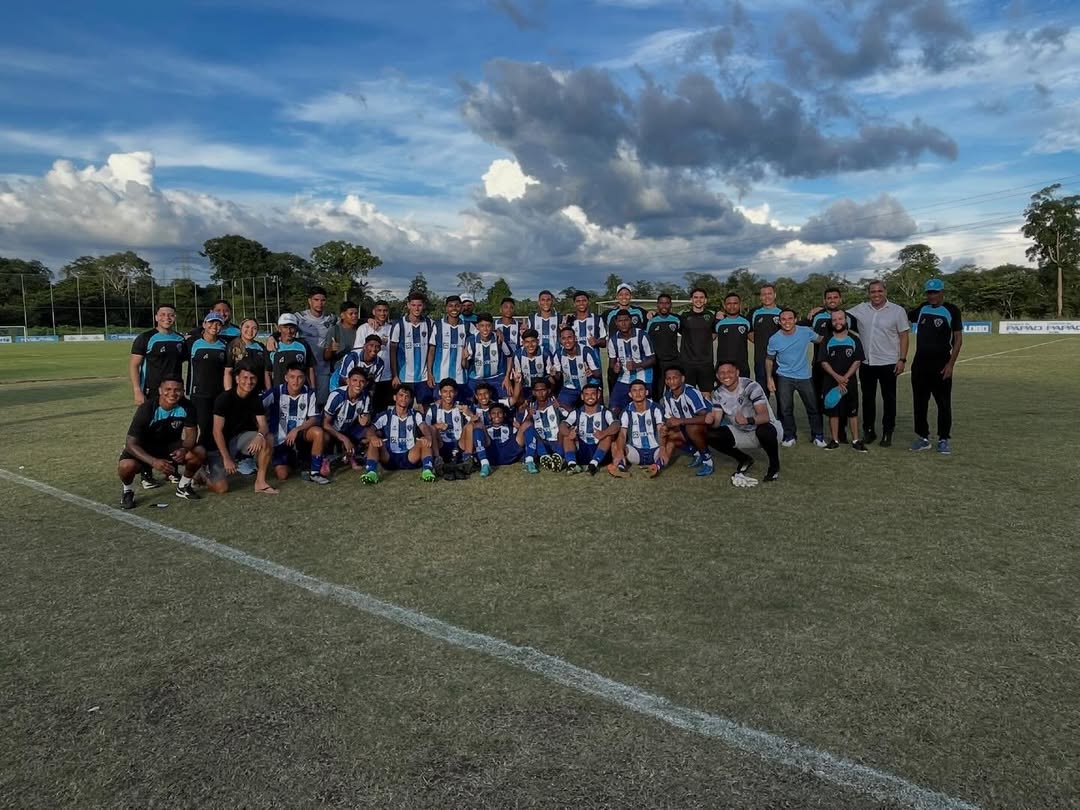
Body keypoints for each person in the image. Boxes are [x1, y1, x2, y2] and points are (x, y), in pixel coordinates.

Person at [117, 375, 207, 508]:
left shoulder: (188, 407)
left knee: (199, 452)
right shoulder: (147, 409)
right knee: (126, 466)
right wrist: (153, 461)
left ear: (183, 391)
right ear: (160, 390)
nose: (172, 393)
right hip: (144, 448)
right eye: (168, 389)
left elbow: (191, 436)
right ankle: (127, 491)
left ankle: (183, 486)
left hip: (170, 446)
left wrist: (184, 449)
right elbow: (131, 443)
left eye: (177, 390)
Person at [847, 280, 910, 447]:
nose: (876, 294)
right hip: (867, 363)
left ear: (885, 291)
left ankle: (887, 432)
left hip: (889, 362)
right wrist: (819, 310)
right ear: (869, 293)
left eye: (879, 291)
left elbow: (904, 336)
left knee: (889, 400)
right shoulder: (860, 308)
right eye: (873, 292)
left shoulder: (897, 311)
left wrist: (902, 359)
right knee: (868, 400)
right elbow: (838, 314)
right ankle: (869, 431)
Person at [909, 278, 963, 454]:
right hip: (920, 364)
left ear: (942, 292)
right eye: (929, 293)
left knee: (943, 403)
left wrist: (950, 365)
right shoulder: (922, 308)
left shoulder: (951, 310)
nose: (932, 296)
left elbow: (958, 339)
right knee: (919, 403)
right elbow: (901, 316)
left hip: (941, 364)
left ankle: (943, 439)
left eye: (935, 292)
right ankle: (923, 437)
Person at [707, 361, 782, 485]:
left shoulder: (750, 386)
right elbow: (716, 423)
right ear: (717, 376)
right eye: (722, 373)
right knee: (709, 434)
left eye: (730, 372)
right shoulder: (718, 393)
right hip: (742, 431)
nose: (726, 375)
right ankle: (744, 459)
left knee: (764, 430)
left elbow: (765, 417)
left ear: (737, 372)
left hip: (766, 429)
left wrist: (747, 420)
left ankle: (774, 466)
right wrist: (710, 421)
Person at [207, 364, 277, 495]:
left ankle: (260, 483)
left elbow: (263, 425)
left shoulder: (255, 397)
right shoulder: (224, 398)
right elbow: (217, 432)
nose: (249, 382)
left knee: (268, 438)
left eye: (252, 378)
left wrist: (260, 436)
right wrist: (227, 458)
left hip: (238, 440)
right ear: (237, 379)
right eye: (245, 378)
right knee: (221, 488)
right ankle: (203, 475)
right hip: (219, 446)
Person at [765, 308, 825, 447]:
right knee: (786, 409)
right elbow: (769, 360)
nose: (787, 322)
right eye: (783, 319)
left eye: (790, 318)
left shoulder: (805, 332)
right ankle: (790, 435)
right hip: (784, 377)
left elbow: (821, 340)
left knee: (813, 407)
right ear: (779, 322)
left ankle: (818, 435)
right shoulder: (774, 339)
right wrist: (769, 378)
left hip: (805, 376)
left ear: (795, 319)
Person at [263, 365, 330, 484]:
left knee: (318, 432)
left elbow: (313, 419)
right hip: (280, 440)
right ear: (286, 378)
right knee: (282, 475)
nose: (296, 381)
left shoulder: (310, 393)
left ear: (304, 378)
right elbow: (257, 407)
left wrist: (297, 429)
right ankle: (296, 460)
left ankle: (315, 472)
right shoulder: (276, 392)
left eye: (300, 377)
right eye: (292, 377)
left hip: (300, 435)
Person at [806, 288, 858, 438]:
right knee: (817, 399)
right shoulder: (815, 316)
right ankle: (817, 433)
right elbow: (798, 328)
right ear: (824, 300)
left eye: (835, 297)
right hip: (819, 365)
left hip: (842, 368)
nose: (832, 300)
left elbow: (858, 334)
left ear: (840, 299)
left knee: (839, 397)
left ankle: (841, 432)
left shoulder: (848, 317)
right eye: (829, 297)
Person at [361, 385, 437, 483]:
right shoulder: (386, 415)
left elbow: (423, 426)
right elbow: (370, 429)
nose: (403, 399)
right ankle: (371, 472)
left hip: (410, 456)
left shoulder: (415, 414)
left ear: (410, 400)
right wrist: (373, 437)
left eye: (407, 396)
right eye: (401, 395)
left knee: (424, 441)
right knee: (373, 442)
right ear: (394, 397)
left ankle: (427, 470)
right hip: (389, 457)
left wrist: (428, 436)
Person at [819, 310, 869, 452]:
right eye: (834, 320)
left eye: (840, 319)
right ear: (831, 322)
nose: (837, 322)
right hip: (831, 381)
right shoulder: (827, 340)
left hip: (849, 382)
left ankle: (856, 440)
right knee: (833, 412)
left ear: (845, 320)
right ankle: (834, 440)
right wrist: (837, 377)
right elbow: (823, 362)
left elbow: (857, 360)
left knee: (852, 412)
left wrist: (845, 377)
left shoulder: (854, 339)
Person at [184, 310, 231, 451]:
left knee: (218, 427)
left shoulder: (225, 345)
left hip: (218, 394)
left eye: (218, 324)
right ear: (204, 324)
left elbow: (227, 371)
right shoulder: (192, 343)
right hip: (199, 394)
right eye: (211, 323)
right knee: (204, 428)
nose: (214, 327)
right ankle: (202, 460)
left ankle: (212, 458)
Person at [659, 365, 714, 477]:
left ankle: (707, 460)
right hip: (688, 426)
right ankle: (697, 452)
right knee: (665, 431)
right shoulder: (667, 396)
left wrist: (680, 421)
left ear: (682, 379)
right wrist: (668, 424)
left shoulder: (690, 392)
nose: (671, 381)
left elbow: (707, 418)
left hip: (711, 427)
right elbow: (670, 419)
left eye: (675, 378)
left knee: (691, 427)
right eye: (668, 379)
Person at [426, 378, 484, 478]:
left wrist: (469, 413)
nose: (448, 395)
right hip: (441, 445)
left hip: (460, 444)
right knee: (431, 429)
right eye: (445, 392)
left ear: (456, 392)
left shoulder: (461, 407)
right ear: (440, 393)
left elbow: (477, 423)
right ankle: (437, 460)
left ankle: (467, 459)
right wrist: (436, 426)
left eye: (451, 391)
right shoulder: (433, 409)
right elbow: (425, 429)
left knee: (470, 426)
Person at [129, 303, 184, 405]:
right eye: (162, 314)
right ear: (156, 317)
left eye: (170, 315)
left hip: (174, 391)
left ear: (175, 317)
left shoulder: (180, 339)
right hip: (151, 391)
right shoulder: (145, 338)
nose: (167, 318)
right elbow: (134, 366)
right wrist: (137, 391)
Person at [612, 379, 668, 477]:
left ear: (646, 392)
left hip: (655, 450)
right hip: (635, 451)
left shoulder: (656, 408)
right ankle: (620, 468)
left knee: (670, 443)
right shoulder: (626, 411)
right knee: (615, 445)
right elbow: (622, 434)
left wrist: (662, 447)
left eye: (641, 390)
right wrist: (620, 450)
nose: (638, 393)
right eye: (634, 390)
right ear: (630, 394)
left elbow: (661, 430)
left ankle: (656, 467)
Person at [292, 287, 337, 404]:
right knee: (304, 402)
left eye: (322, 300)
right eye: (316, 299)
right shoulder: (299, 317)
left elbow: (348, 323)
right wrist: (273, 337)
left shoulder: (331, 318)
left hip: (323, 368)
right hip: (303, 369)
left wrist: (368, 321)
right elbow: (284, 328)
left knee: (322, 403)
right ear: (309, 301)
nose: (319, 303)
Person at [561, 382, 618, 475]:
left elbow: (616, 424)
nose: (590, 397)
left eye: (593, 394)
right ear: (582, 396)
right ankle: (572, 465)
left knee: (607, 436)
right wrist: (568, 433)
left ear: (598, 395)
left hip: (600, 452)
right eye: (586, 394)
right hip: (583, 450)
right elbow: (562, 425)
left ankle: (593, 465)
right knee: (567, 436)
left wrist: (604, 433)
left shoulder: (605, 412)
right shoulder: (577, 412)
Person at [322, 367, 372, 470]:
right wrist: (344, 439)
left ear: (366, 383)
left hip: (349, 429)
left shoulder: (366, 396)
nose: (358, 384)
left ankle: (358, 456)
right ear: (348, 381)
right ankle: (323, 459)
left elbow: (366, 419)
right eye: (355, 380)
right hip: (332, 431)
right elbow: (324, 423)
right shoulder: (337, 396)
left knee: (371, 433)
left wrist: (366, 420)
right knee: (323, 436)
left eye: (362, 381)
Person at [389, 292, 434, 405]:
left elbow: (431, 350)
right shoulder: (399, 324)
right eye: (413, 305)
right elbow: (392, 351)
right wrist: (395, 375)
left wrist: (430, 373)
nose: (416, 308)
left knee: (425, 407)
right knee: (403, 407)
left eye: (419, 305)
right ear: (408, 305)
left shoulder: (429, 323)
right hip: (404, 377)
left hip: (423, 377)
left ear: (423, 306)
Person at [607, 310, 655, 417]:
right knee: (613, 409)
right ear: (616, 322)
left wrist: (637, 365)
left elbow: (652, 359)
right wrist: (615, 368)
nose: (623, 323)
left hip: (644, 377)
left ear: (631, 321)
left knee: (642, 410)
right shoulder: (613, 340)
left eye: (626, 320)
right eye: (620, 321)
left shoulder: (642, 336)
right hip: (624, 378)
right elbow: (612, 364)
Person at [427, 295, 471, 401]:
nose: (454, 309)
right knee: (439, 408)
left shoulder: (468, 326)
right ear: (446, 308)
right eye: (451, 306)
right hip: (440, 377)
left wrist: (497, 331)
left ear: (461, 307)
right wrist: (429, 373)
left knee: (460, 409)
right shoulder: (437, 325)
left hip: (460, 378)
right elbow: (431, 351)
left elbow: (484, 333)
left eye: (457, 306)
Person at [354, 299, 393, 413]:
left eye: (385, 310)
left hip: (386, 375)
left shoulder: (392, 329)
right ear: (373, 312)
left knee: (382, 409)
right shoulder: (364, 328)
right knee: (364, 408)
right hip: (366, 376)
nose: (382, 313)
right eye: (379, 310)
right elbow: (357, 351)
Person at [551, 325, 601, 409]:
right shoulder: (558, 354)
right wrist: (554, 374)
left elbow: (598, 373)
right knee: (560, 410)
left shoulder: (586, 351)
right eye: (563, 338)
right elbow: (558, 377)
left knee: (594, 410)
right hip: (569, 388)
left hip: (588, 386)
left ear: (575, 338)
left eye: (569, 337)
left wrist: (592, 372)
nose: (567, 341)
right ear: (560, 341)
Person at [522, 377, 565, 472]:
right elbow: (524, 427)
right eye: (537, 391)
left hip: (557, 441)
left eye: (543, 390)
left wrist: (561, 407)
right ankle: (543, 456)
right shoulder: (530, 407)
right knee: (529, 431)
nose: (540, 393)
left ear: (548, 390)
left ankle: (558, 456)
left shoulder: (555, 404)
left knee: (564, 429)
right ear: (533, 392)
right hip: (541, 442)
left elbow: (570, 418)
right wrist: (529, 415)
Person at [465, 313, 512, 399]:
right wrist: (464, 358)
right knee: (471, 401)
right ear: (477, 326)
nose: (485, 329)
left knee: (505, 401)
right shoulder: (471, 340)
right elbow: (465, 365)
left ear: (492, 326)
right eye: (482, 326)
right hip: (476, 379)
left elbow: (509, 356)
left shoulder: (499, 338)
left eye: (488, 326)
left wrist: (507, 377)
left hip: (496, 378)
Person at [678, 288, 716, 395]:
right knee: (688, 394)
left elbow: (714, 333)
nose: (698, 300)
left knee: (706, 394)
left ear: (705, 300)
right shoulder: (683, 316)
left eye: (701, 297)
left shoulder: (712, 315)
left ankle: (707, 412)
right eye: (695, 297)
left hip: (706, 362)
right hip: (687, 362)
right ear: (691, 300)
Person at [747, 283, 782, 396]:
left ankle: (783, 415)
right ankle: (763, 414)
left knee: (782, 394)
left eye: (769, 294)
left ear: (775, 295)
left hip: (781, 360)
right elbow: (749, 332)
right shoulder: (754, 313)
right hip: (761, 359)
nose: (767, 297)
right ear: (760, 297)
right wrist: (761, 343)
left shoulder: (782, 312)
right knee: (762, 394)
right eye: (763, 294)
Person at [647, 293, 681, 401]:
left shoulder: (677, 320)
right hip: (657, 362)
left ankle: (673, 412)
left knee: (673, 390)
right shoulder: (651, 321)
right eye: (661, 303)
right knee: (657, 390)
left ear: (671, 305)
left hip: (673, 360)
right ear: (657, 305)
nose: (664, 306)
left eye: (667, 303)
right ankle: (657, 414)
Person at [269, 313, 317, 390]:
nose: (289, 331)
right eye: (285, 327)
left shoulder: (303, 345)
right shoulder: (272, 346)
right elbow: (268, 372)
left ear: (296, 328)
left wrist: (313, 388)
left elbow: (310, 368)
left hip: (300, 392)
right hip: (279, 392)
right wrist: (269, 391)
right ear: (279, 328)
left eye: (292, 327)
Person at [226, 317, 271, 393]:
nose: (250, 330)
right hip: (239, 393)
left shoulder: (261, 347)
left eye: (254, 328)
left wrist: (269, 391)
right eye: (247, 327)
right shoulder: (233, 346)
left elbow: (266, 372)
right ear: (241, 328)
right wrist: (229, 394)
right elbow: (228, 372)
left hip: (258, 391)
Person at [323, 300, 360, 392]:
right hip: (339, 375)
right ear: (342, 315)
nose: (354, 316)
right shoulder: (335, 330)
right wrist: (331, 349)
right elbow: (326, 357)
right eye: (351, 314)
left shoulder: (361, 329)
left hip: (357, 373)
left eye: (356, 313)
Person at [509, 328, 554, 403]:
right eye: (527, 342)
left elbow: (551, 377)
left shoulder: (545, 353)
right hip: (525, 389)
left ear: (538, 341)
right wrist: (520, 398)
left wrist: (550, 394)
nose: (530, 345)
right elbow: (517, 380)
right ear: (523, 343)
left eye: (533, 341)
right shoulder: (518, 355)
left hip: (541, 390)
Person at [713, 293, 752, 378]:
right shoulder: (717, 322)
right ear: (724, 305)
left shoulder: (746, 322)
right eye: (729, 304)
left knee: (743, 391)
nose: (732, 306)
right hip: (723, 367)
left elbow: (756, 340)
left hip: (742, 367)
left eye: (735, 303)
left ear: (740, 304)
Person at [527, 289, 561, 354]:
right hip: (538, 355)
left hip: (555, 355)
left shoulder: (559, 317)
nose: (546, 302)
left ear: (552, 302)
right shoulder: (532, 318)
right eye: (543, 300)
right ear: (539, 302)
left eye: (548, 300)